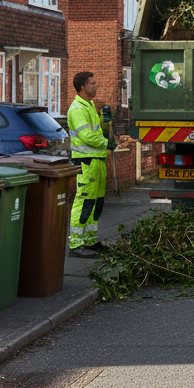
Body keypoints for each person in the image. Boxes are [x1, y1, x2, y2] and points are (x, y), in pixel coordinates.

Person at [67, 71, 110, 257]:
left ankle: (90, 240)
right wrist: (108, 143)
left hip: (97, 160)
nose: (96, 86)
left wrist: (105, 121)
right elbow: (86, 136)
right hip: (86, 162)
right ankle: (76, 244)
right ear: (82, 87)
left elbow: (97, 130)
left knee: (96, 202)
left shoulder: (89, 105)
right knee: (84, 201)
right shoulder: (77, 109)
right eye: (92, 83)